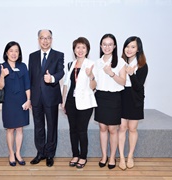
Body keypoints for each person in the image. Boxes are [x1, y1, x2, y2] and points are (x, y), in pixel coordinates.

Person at [28, 29, 64, 167]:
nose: (45, 40)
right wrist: (29, 97)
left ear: (52, 39)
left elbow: (61, 72)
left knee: (51, 126)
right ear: (38, 40)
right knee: (38, 126)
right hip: (36, 97)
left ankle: (50, 154)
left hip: (51, 97)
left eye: (48, 38)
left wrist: (52, 78)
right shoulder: (32, 56)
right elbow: (30, 77)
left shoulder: (58, 55)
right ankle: (40, 152)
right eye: (42, 38)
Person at [61, 37, 97, 168]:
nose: (80, 50)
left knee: (82, 130)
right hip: (70, 101)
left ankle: (83, 156)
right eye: (78, 47)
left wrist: (91, 76)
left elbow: (94, 86)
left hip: (85, 102)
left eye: (83, 47)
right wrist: (63, 101)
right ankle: (75, 154)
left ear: (87, 49)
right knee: (73, 130)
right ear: (74, 50)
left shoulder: (92, 64)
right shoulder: (71, 65)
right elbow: (66, 84)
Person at [93, 33, 126, 169]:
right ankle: (104, 156)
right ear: (101, 46)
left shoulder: (120, 62)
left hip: (114, 97)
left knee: (113, 128)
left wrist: (111, 72)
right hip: (100, 96)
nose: (107, 47)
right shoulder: (97, 62)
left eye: (110, 44)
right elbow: (94, 85)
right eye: (104, 44)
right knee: (102, 127)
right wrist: (90, 77)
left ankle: (112, 157)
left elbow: (123, 81)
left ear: (114, 46)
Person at [0, 41, 31, 167]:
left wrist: (28, 100)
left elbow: (27, 85)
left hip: (22, 101)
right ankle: (11, 154)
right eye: (11, 51)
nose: (14, 53)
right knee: (10, 129)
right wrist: (2, 76)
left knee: (20, 129)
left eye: (16, 51)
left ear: (19, 53)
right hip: (9, 102)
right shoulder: (1, 67)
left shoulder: (23, 66)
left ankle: (18, 153)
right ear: (6, 53)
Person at [118, 36, 148, 170]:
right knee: (122, 128)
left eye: (133, 47)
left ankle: (130, 155)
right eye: (127, 46)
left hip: (135, 99)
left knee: (132, 128)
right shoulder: (119, 63)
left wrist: (131, 74)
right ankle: (122, 157)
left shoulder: (142, 65)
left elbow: (139, 87)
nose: (129, 49)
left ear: (138, 49)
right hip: (122, 97)